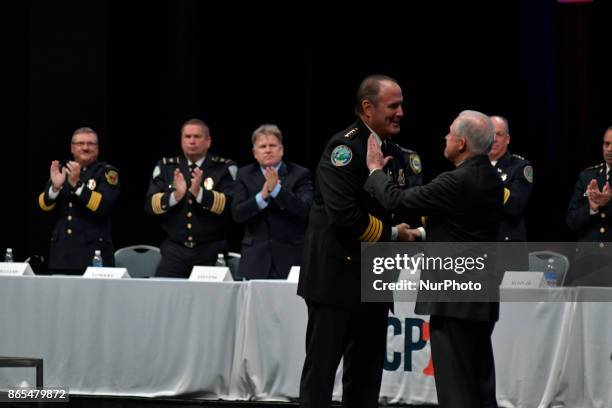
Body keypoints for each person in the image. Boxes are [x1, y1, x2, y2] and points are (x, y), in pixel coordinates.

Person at [297, 74, 421, 408]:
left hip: (376, 279)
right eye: (393, 106)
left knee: (366, 378)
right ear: (367, 108)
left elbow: (405, 204)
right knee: (320, 375)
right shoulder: (344, 148)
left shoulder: (398, 153)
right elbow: (343, 216)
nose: (401, 113)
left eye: (401, 105)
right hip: (336, 279)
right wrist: (395, 234)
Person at [364, 110, 503, 408]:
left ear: (461, 143)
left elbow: (396, 201)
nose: (445, 136)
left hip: (454, 300)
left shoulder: (456, 181)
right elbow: (466, 225)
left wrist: (375, 171)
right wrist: (423, 234)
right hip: (479, 299)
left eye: (450, 132)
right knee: (478, 383)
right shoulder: (489, 175)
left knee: (456, 388)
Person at [145, 118, 237, 278]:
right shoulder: (166, 166)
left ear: (208, 141)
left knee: (212, 300)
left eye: (197, 136)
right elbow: (150, 206)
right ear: (181, 141)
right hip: (174, 252)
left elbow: (232, 207)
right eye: (187, 137)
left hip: (210, 250)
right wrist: (175, 196)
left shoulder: (224, 167)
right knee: (165, 298)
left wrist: (200, 194)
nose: (192, 141)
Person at [231, 124, 313, 279]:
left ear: (281, 150)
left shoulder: (300, 174)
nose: (268, 150)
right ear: (255, 153)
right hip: (255, 260)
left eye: (272, 145)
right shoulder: (244, 174)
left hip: (290, 258)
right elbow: (237, 214)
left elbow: (305, 210)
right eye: (262, 146)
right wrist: (262, 196)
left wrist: (277, 191)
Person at [38, 127, 120, 274]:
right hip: (61, 254)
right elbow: (43, 206)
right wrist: (55, 188)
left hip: (93, 253)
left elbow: (103, 206)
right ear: (72, 148)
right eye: (80, 143)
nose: (85, 147)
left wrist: (77, 185)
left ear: (97, 148)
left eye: (90, 144)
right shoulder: (63, 170)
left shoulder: (106, 172)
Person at [565, 126, 612, 286]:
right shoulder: (588, 176)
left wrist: (608, 203)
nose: (609, 149)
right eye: (606, 144)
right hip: (587, 266)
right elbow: (571, 220)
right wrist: (592, 208)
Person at [488, 115, 533, 241]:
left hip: (506, 244)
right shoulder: (472, 166)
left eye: (499, 134)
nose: (494, 139)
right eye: (490, 134)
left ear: (507, 139)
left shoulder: (520, 167)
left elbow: (515, 207)